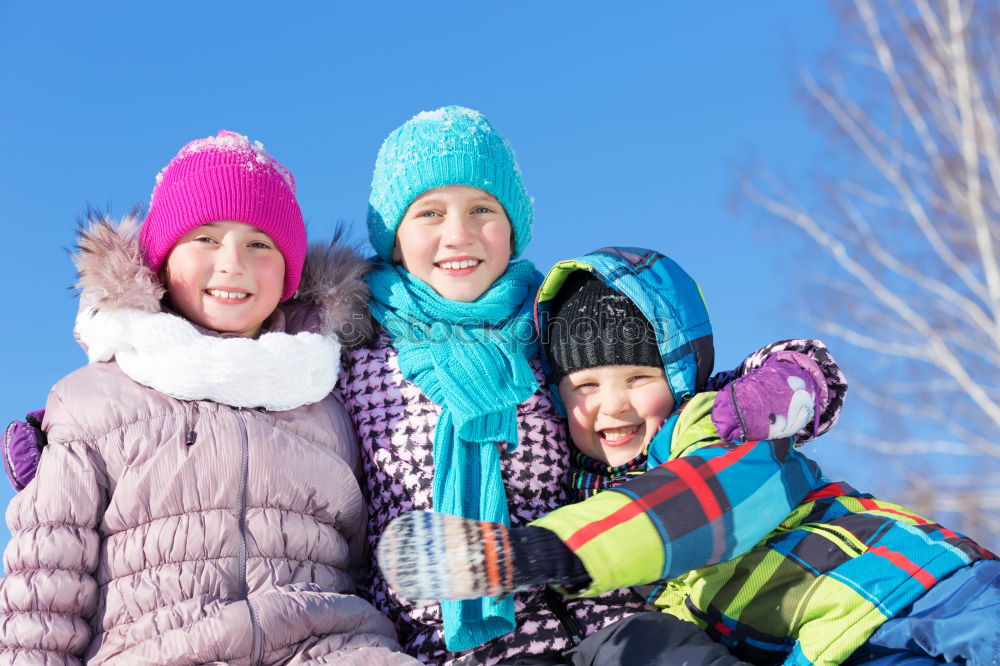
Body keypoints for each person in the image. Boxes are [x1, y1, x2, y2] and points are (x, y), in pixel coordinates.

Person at [335, 106, 848, 664]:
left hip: (611, 617)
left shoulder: (555, 329)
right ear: (393, 238)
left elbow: (695, 394)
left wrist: (750, 405)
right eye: (429, 213)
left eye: (482, 208)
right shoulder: (353, 354)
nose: (458, 234)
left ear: (513, 228)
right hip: (456, 647)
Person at [377, 247, 1000, 665]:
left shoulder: (708, 429)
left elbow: (699, 505)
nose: (612, 407)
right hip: (840, 642)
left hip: (924, 596)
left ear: (678, 373)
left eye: (636, 379)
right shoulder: (592, 489)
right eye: (585, 388)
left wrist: (535, 552)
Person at [0, 131, 418, 665]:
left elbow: (359, 560)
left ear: (288, 274)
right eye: (205, 238)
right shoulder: (93, 403)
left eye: (259, 244)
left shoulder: (325, 398)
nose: (233, 263)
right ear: (161, 257)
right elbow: (42, 592)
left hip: (330, 644)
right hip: (163, 648)